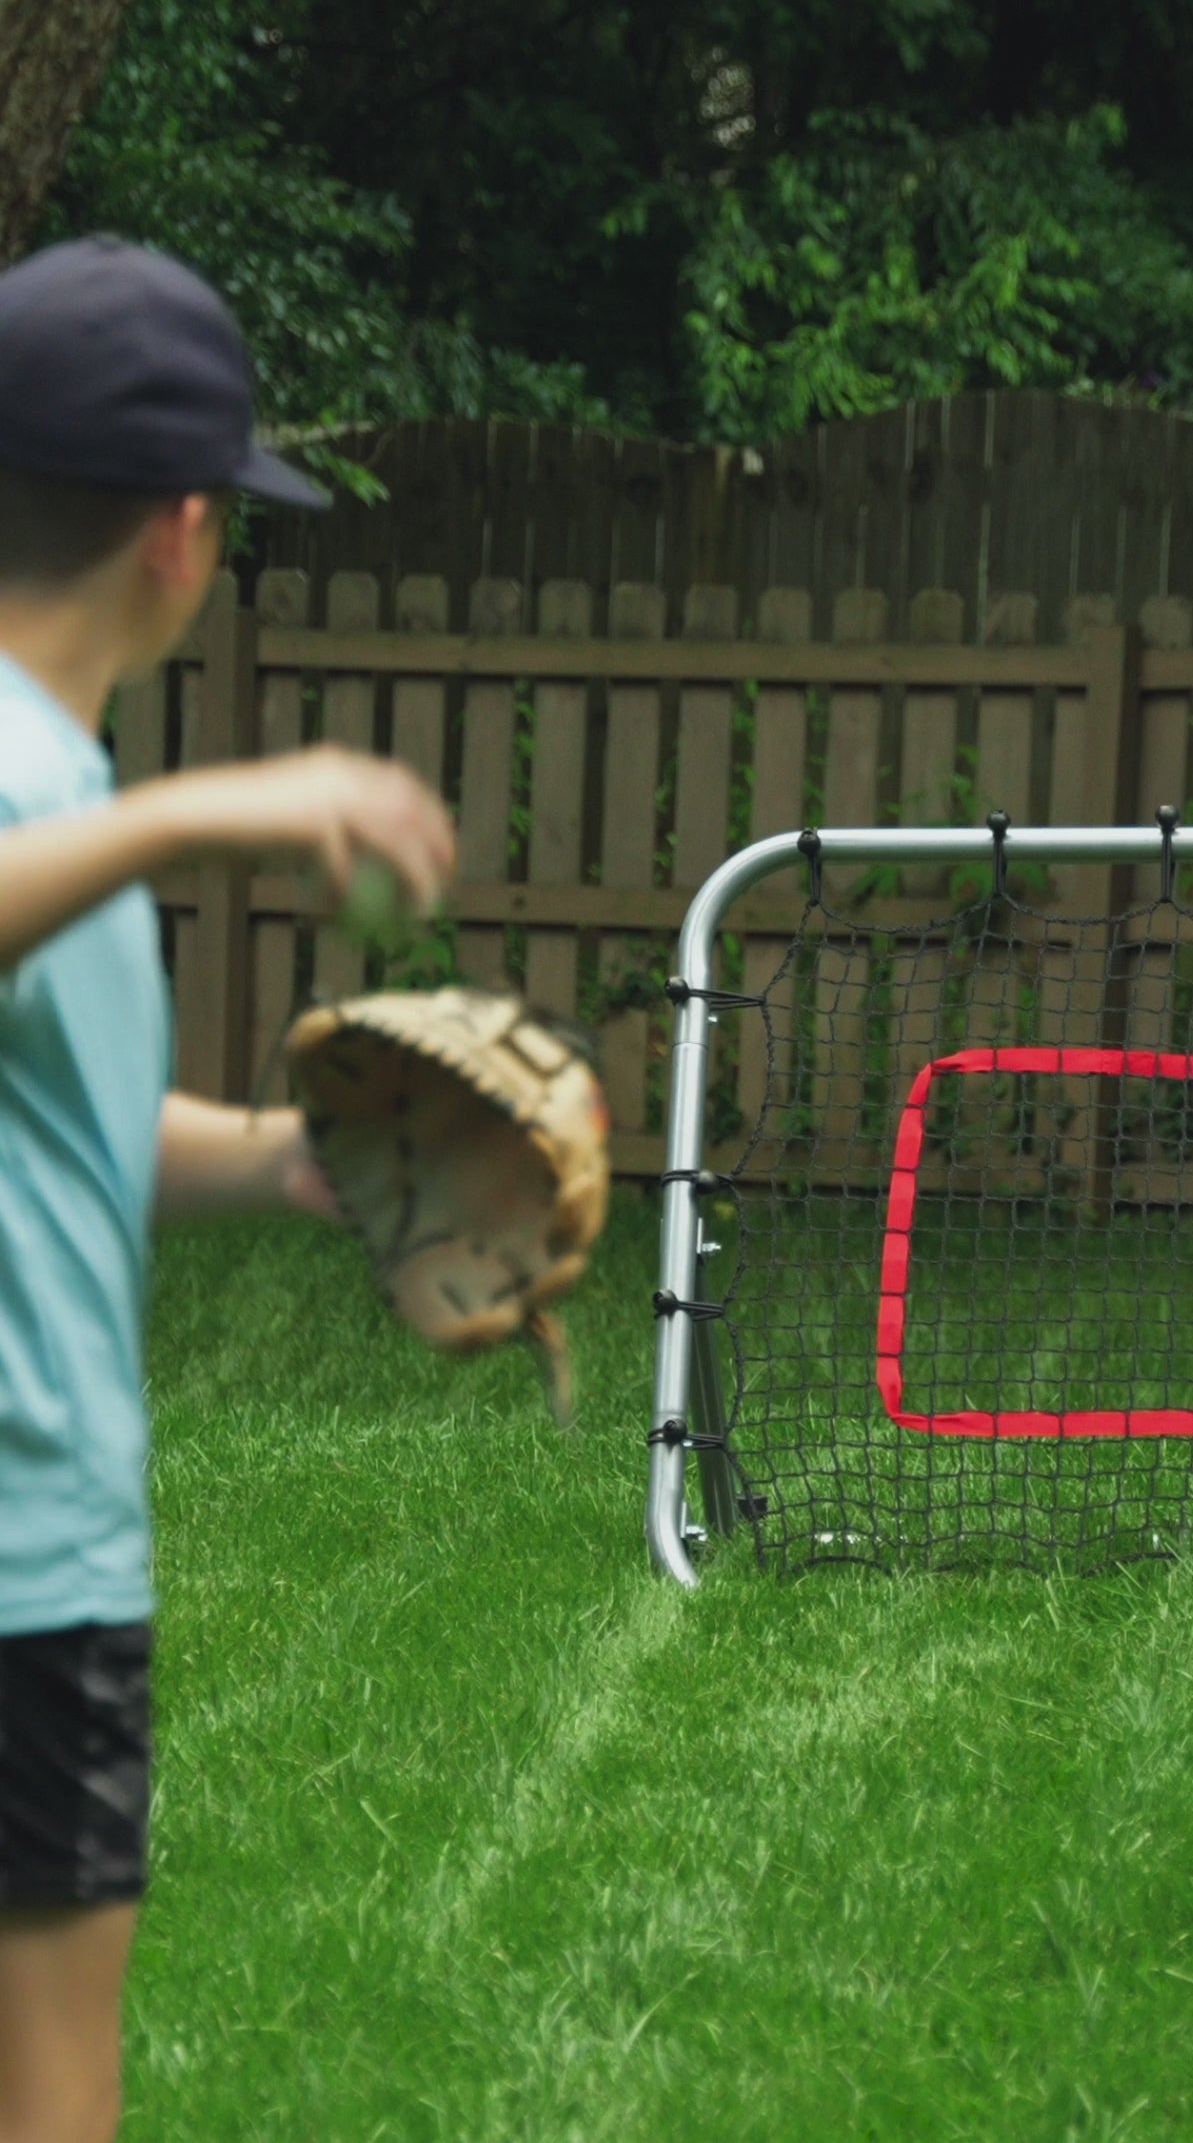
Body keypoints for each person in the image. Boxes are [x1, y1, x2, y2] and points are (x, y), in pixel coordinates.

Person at [0, 237, 455, 2143]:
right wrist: (199, 812)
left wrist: (287, 1158)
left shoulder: (63, 788)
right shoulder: (60, 792)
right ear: (184, 535)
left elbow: (67, 1132)